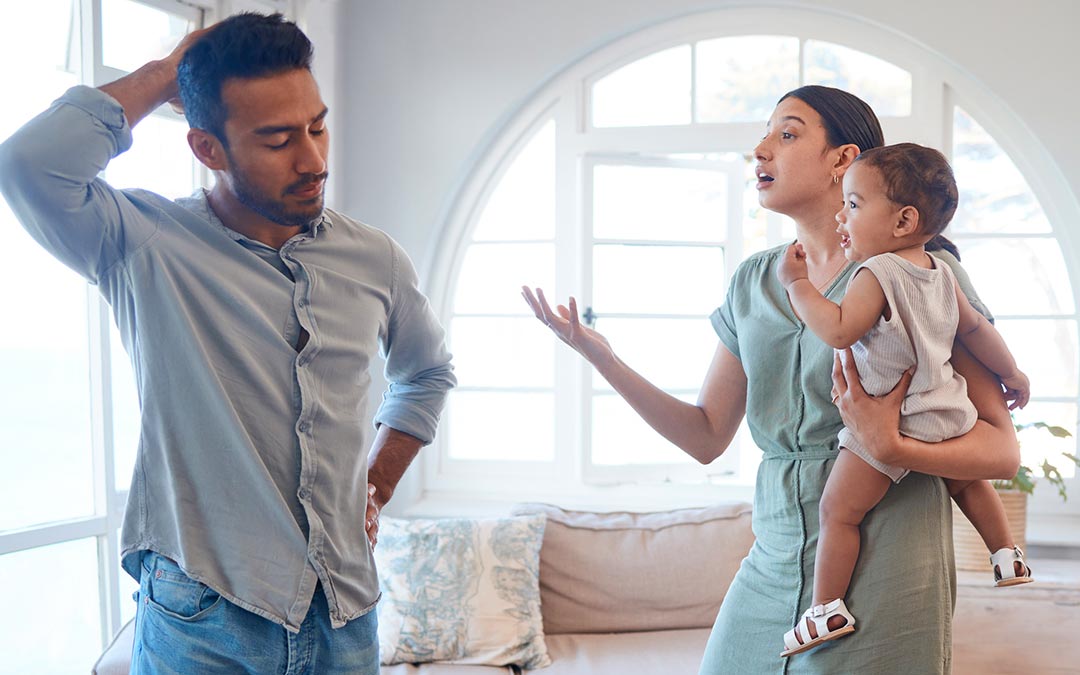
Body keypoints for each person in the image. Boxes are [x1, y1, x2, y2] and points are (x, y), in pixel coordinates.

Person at [0, 12, 454, 674]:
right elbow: (30, 163)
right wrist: (162, 75)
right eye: (277, 141)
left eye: (317, 126)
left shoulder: (375, 258)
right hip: (203, 620)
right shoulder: (141, 243)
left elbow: (427, 373)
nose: (313, 160)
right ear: (207, 149)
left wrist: (377, 486)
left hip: (348, 614)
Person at [522, 85, 1019, 673]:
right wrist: (602, 358)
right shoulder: (752, 283)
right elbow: (705, 437)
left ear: (843, 160)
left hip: (892, 562)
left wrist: (892, 446)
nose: (760, 149)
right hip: (774, 556)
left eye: (786, 134)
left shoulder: (925, 272)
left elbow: (1001, 449)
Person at [775, 142, 1033, 658]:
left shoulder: (878, 274)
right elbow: (977, 330)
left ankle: (826, 608)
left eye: (853, 205)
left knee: (838, 513)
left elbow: (840, 330)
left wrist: (798, 285)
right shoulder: (939, 271)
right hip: (946, 411)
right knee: (968, 480)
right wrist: (1014, 374)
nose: (840, 216)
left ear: (902, 220)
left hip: (893, 424)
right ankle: (1006, 553)